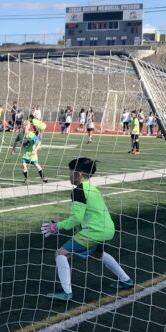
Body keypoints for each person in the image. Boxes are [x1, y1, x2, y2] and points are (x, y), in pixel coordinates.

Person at [41, 156, 133, 300]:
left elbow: (77, 217)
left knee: (61, 253)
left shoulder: (78, 190)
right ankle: (126, 280)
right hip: (107, 229)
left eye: (70, 172)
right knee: (98, 253)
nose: (69, 175)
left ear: (78, 174)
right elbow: (91, 214)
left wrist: (56, 226)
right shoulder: (93, 189)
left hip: (94, 231)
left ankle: (66, 292)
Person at [20, 119, 48, 183]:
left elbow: (36, 127)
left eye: (25, 125)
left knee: (37, 165)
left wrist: (35, 149)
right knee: (24, 166)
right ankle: (26, 178)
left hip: (41, 130)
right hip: (26, 154)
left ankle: (43, 177)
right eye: (23, 125)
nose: (24, 126)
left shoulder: (32, 132)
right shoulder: (21, 134)